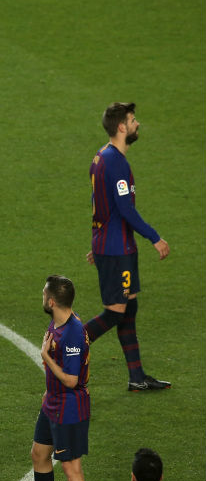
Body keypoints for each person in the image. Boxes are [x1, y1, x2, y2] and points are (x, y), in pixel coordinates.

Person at [84, 102, 171, 392]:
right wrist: (154, 237)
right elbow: (124, 210)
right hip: (117, 249)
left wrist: (97, 243)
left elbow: (101, 206)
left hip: (113, 246)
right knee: (116, 311)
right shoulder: (117, 163)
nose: (137, 124)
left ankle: (137, 377)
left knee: (129, 308)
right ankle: (66, 346)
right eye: (133, 120)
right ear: (121, 127)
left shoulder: (101, 157)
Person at [31, 275, 90, 481]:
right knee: (39, 455)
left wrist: (45, 356)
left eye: (45, 294)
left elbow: (71, 380)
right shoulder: (59, 320)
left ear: (52, 301)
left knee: (71, 468)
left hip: (69, 406)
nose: (43, 297)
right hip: (53, 402)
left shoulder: (72, 332)